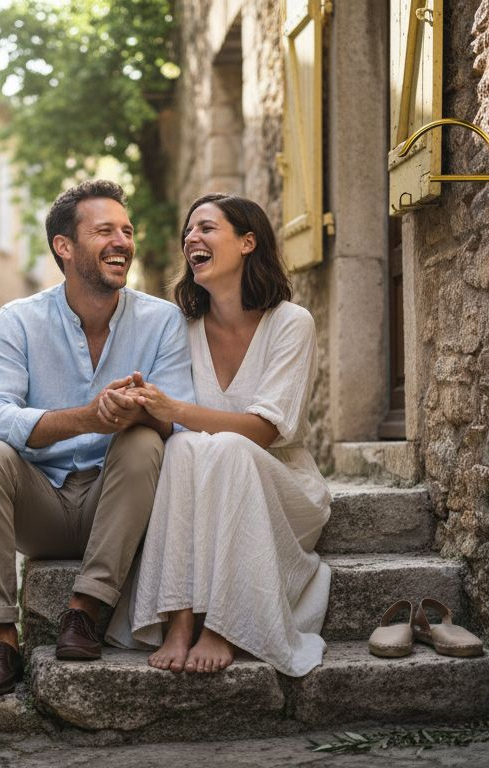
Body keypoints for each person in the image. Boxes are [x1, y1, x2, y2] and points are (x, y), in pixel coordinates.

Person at [0, 179, 195, 697]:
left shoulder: (162, 321)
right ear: (64, 247)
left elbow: (178, 419)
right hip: (38, 504)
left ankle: (85, 611)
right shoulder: (18, 320)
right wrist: (86, 418)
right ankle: (2, 638)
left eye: (127, 231)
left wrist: (141, 410)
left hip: (118, 504)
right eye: (104, 230)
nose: (122, 242)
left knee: (143, 442)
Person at [106, 193, 332, 677]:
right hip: (201, 483)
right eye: (188, 231)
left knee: (228, 444)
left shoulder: (291, 323)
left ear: (248, 242)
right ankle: (181, 618)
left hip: (281, 485)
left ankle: (225, 626)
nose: (192, 238)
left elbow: (265, 431)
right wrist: (140, 404)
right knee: (186, 443)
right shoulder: (183, 328)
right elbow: (174, 424)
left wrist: (179, 409)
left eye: (207, 228)